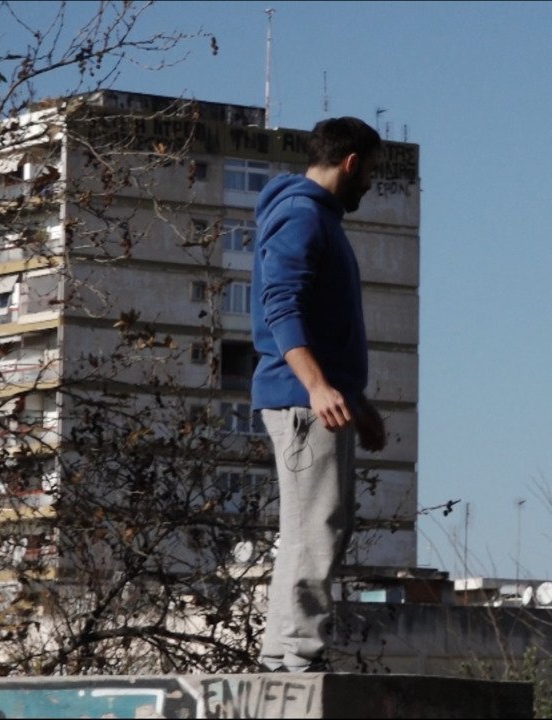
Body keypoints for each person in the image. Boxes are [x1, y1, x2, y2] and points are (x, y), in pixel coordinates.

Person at [249, 116, 388, 672]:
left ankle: (282, 654)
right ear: (352, 163)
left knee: (309, 526)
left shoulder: (312, 218)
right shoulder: (304, 218)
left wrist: (358, 400)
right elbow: (281, 307)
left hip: (315, 396)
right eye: (370, 172)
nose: (370, 185)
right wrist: (317, 385)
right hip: (302, 399)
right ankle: (300, 657)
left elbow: (323, 328)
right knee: (320, 525)